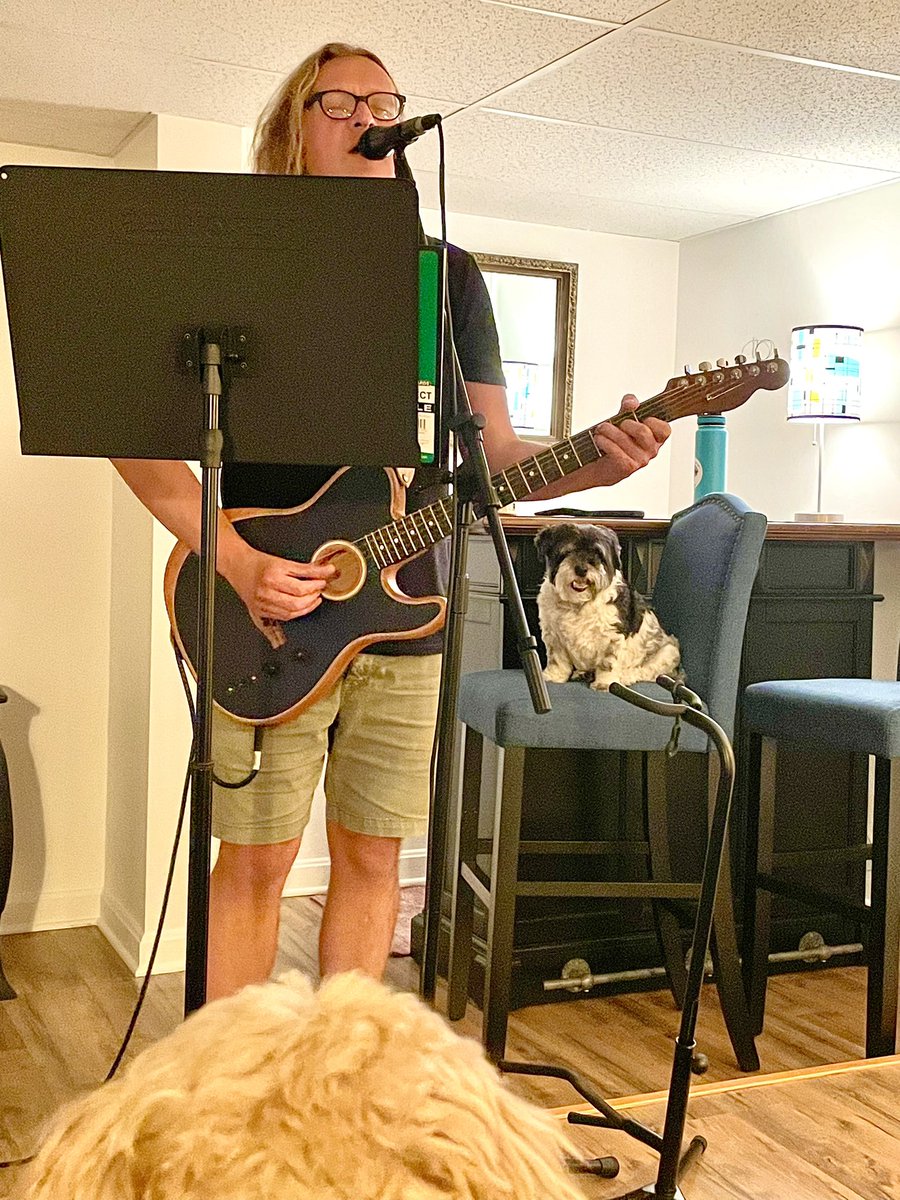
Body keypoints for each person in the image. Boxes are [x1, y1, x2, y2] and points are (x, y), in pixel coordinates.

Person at [112, 41, 671, 1001]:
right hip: (267, 610)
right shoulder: (228, 248)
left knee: (373, 860)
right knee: (255, 864)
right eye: (339, 100)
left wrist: (593, 451)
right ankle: (228, 1096)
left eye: (385, 99)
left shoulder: (443, 275)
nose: (368, 114)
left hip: (407, 612)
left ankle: (343, 1083)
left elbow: (489, 458)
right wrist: (238, 560)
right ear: (290, 127)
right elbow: (133, 436)